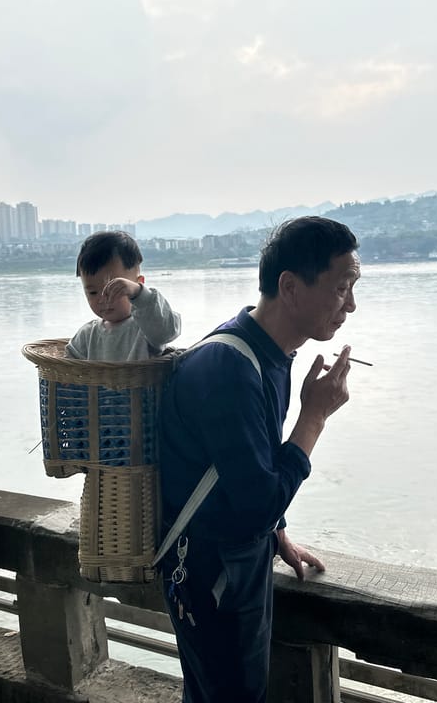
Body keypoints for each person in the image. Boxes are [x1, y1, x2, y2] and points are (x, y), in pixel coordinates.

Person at [158, 215, 360, 703]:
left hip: (233, 563)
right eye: (340, 288)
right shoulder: (229, 367)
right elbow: (254, 502)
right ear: (290, 287)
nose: (350, 306)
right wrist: (314, 417)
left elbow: (249, 462)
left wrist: (278, 531)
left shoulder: (269, 353)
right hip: (212, 576)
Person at [66, 230, 181, 360]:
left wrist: (139, 293)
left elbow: (168, 332)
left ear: (138, 284)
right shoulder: (87, 335)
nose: (103, 299)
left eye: (114, 289)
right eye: (93, 292)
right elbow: (69, 366)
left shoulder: (146, 328)